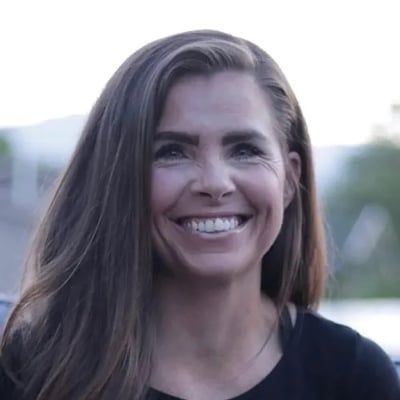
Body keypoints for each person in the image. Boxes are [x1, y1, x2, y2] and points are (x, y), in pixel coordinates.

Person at [0, 30, 399, 400]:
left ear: (290, 179)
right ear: (117, 179)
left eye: (244, 149)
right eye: (171, 152)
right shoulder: (32, 374)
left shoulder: (354, 377)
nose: (215, 182)